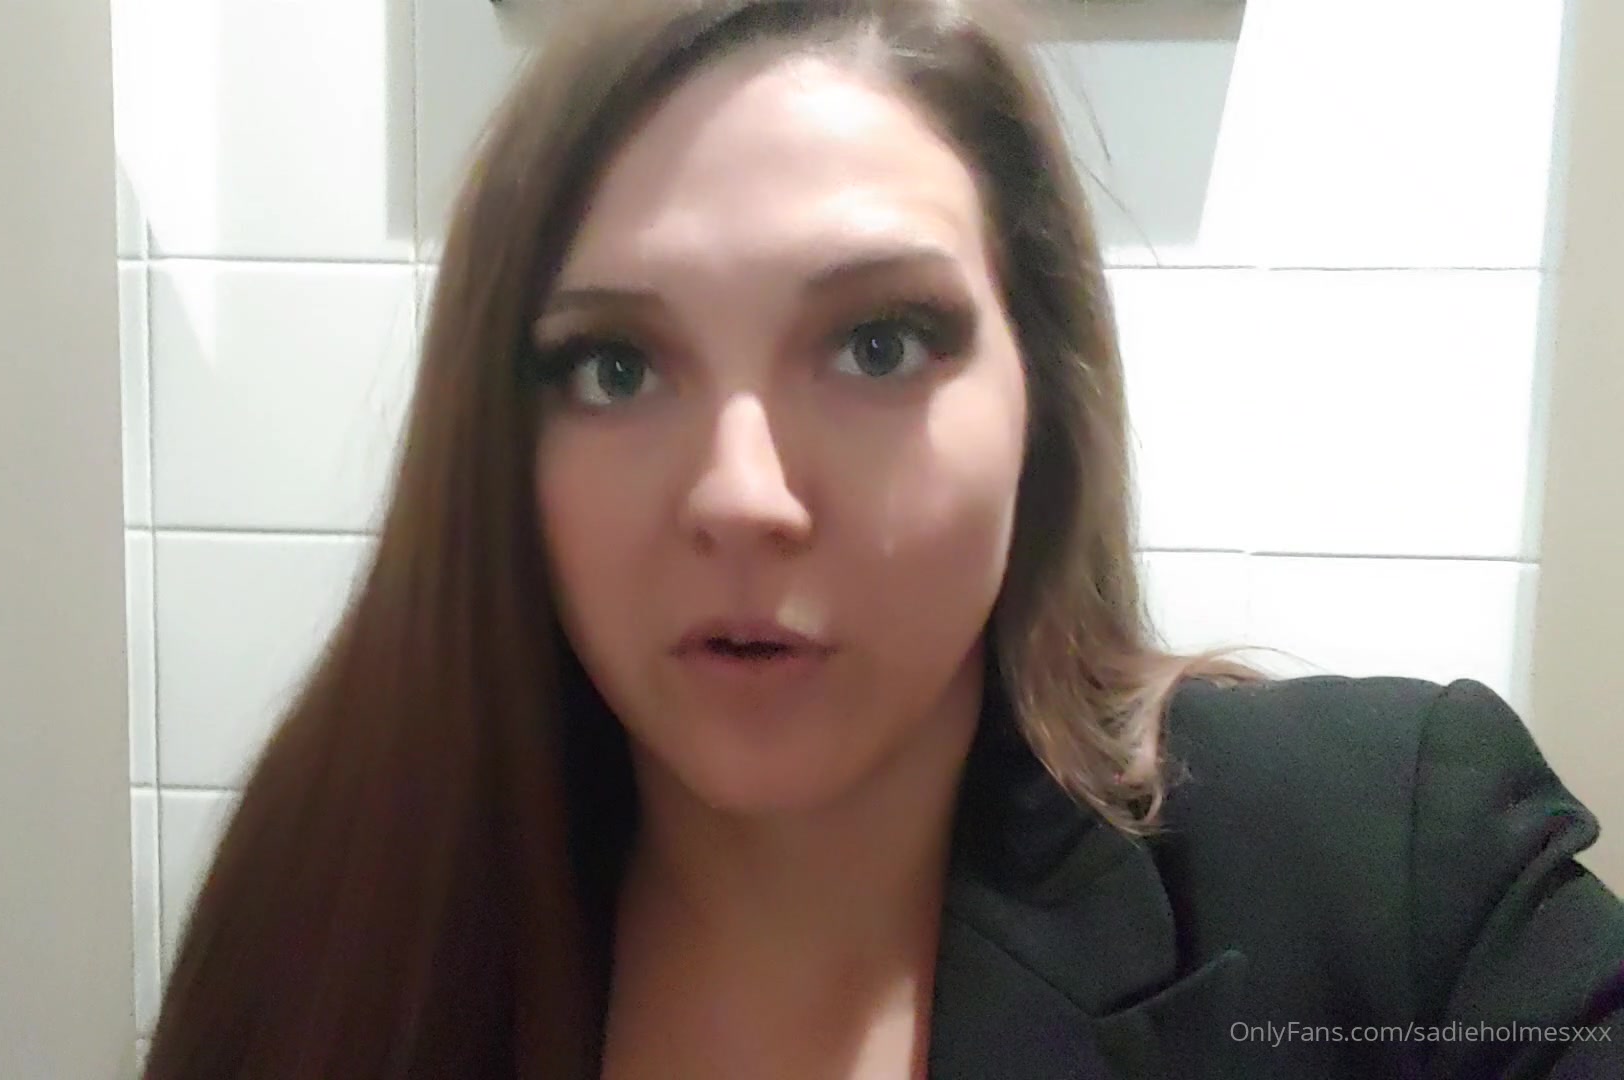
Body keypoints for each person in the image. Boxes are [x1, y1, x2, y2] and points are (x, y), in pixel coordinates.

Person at [140, 1, 1624, 1076]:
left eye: (878, 344)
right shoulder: (341, 930)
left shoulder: (1392, 879)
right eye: (616, 366)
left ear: (1042, 403)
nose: (741, 495)